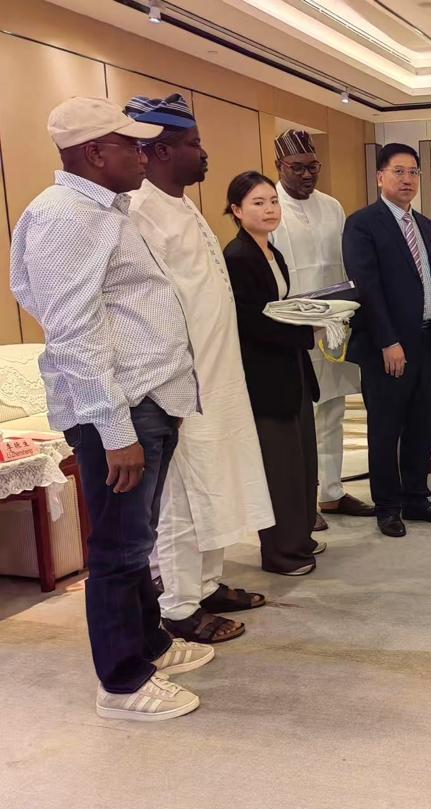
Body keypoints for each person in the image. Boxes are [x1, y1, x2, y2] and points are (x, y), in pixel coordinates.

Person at [10, 97, 211, 720]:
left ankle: (151, 645)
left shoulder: (104, 210)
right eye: (132, 145)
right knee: (120, 550)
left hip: (149, 398)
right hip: (118, 410)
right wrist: (115, 429)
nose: (144, 155)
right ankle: (122, 682)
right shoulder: (65, 217)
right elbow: (73, 333)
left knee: (138, 539)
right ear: (95, 153)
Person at [124, 94, 273, 643]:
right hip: (181, 388)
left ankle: (207, 584)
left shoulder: (182, 204)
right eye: (194, 144)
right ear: (161, 150)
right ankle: (179, 606)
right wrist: (174, 388)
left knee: (216, 485)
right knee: (184, 500)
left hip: (219, 380)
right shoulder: (140, 212)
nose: (204, 153)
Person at [342, 143, 431, 538]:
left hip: (428, 340)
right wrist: (387, 341)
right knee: (386, 428)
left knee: (421, 426)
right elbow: (367, 289)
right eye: (398, 171)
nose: (407, 179)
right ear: (380, 177)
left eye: (413, 172)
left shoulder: (424, 225)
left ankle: (416, 499)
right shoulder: (362, 224)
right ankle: (388, 507)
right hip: (388, 347)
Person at [271, 129, 374, 530]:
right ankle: (301, 500)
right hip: (293, 327)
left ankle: (330, 492)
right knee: (302, 417)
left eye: (313, 166)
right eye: (297, 167)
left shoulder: (332, 206)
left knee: (333, 409)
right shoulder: (269, 204)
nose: (306, 174)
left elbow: (343, 264)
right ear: (279, 166)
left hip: (333, 325)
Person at [223, 171, 323, 575]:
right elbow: (250, 321)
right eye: (258, 203)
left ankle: (300, 538)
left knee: (302, 461)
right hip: (265, 374)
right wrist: (306, 329)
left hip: (291, 368)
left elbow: (282, 308)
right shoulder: (237, 257)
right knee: (279, 468)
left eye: (273, 201)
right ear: (236, 210)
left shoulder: (273, 252)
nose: (269, 209)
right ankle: (280, 553)